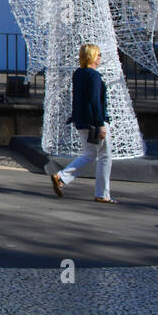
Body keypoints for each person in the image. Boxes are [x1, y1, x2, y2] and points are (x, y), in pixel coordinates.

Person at [50, 43, 114, 203]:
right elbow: (94, 101)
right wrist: (100, 124)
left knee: (91, 154)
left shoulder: (78, 74)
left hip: (81, 121)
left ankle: (63, 178)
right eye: (99, 55)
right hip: (94, 122)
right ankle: (101, 194)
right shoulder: (94, 76)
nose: (100, 58)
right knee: (104, 156)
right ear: (92, 56)